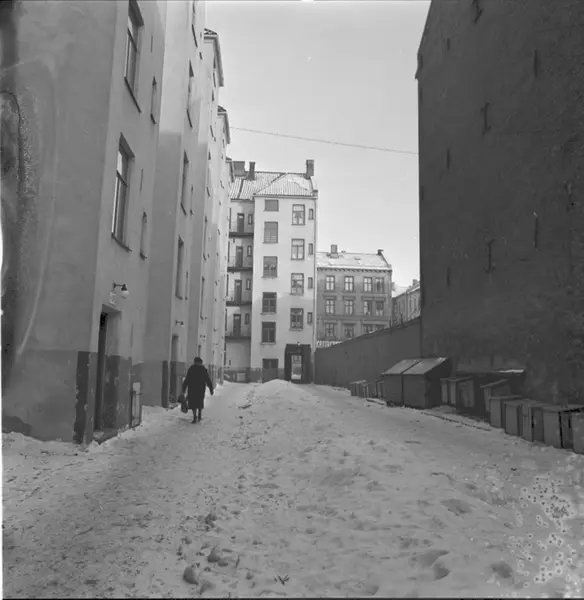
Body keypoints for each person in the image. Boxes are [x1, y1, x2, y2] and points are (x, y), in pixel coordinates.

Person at [182, 357, 214, 423]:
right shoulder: (203, 369)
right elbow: (208, 379)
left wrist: (183, 389)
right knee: (199, 402)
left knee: (193, 403)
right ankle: (199, 414)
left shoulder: (191, 369)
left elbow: (187, 380)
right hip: (200, 389)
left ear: (194, 362)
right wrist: (211, 389)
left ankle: (195, 416)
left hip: (192, 389)